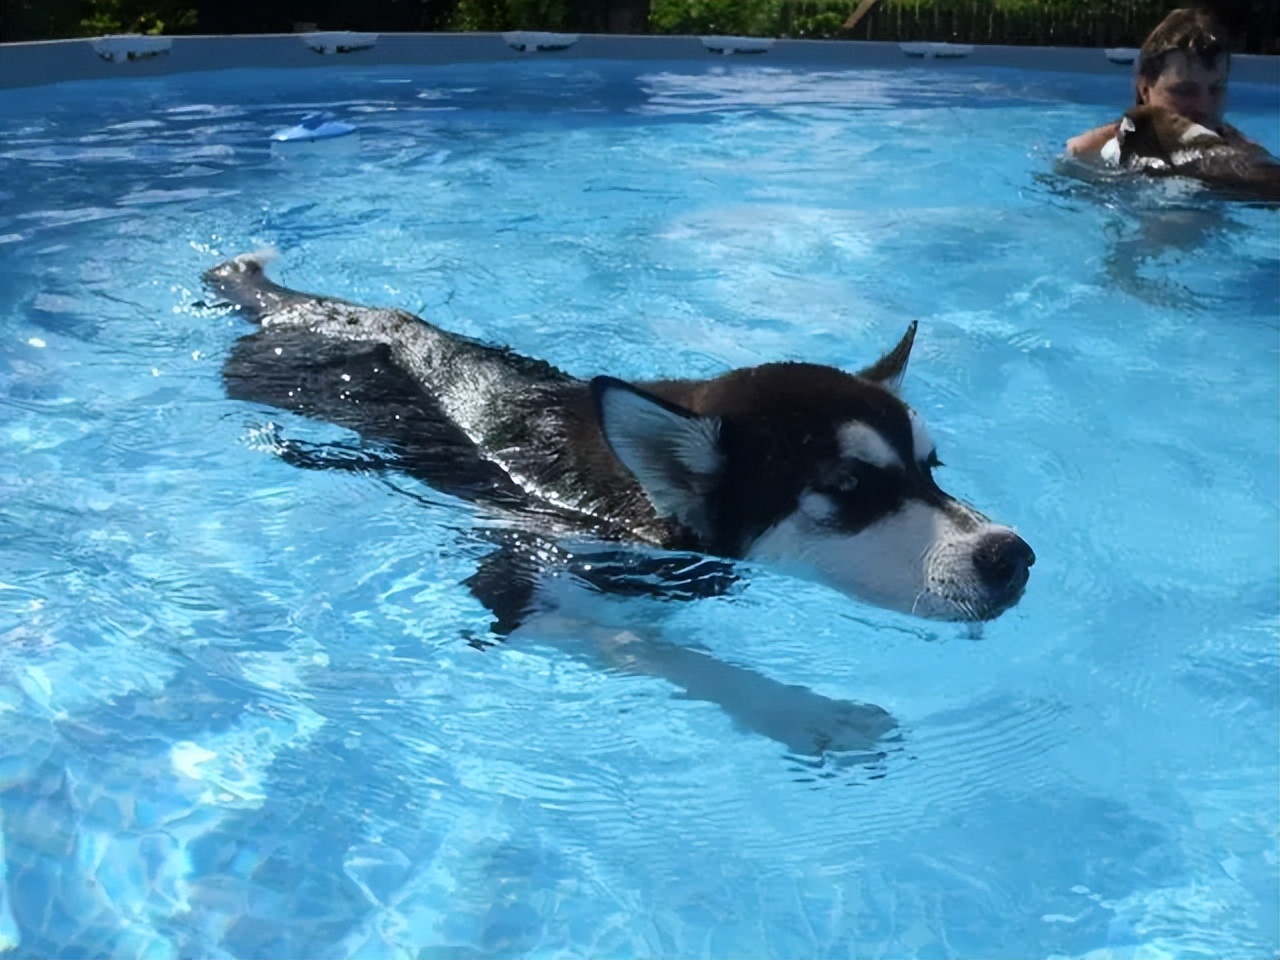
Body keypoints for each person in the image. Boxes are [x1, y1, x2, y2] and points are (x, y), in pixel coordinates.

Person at [1065, 7, 1261, 159]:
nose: (1204, 106)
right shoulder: (1087, 153)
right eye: (1185, 90)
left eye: (1216, 89)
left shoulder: (1248, 157)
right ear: (1145, 89)